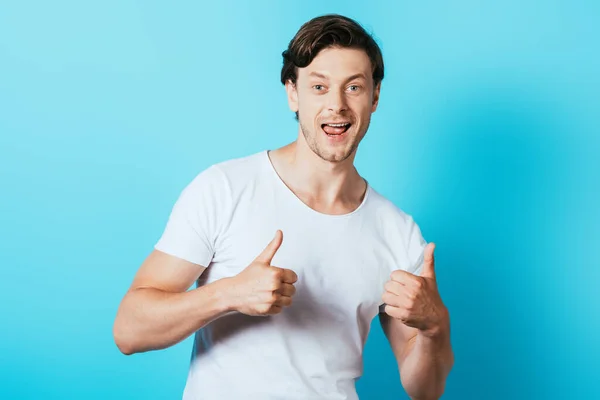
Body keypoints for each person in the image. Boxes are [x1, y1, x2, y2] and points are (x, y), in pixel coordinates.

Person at [113, 13, 454, 400]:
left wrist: (434, 327)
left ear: (375, 97)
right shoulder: (225, 188)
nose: (337, 106)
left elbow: (424, 389)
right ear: (293, 92)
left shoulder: (398, 231)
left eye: (354, 87)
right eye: (319, 86)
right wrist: (227, 294)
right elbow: (128, 331)